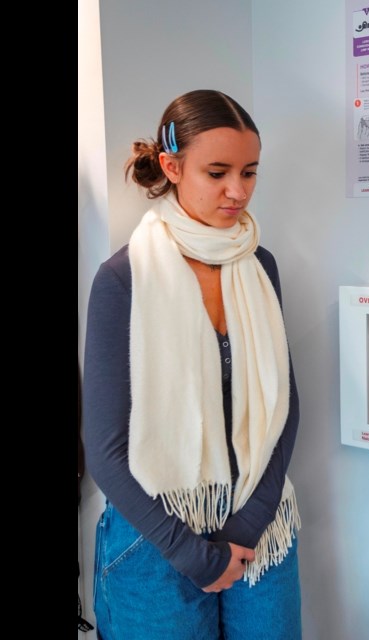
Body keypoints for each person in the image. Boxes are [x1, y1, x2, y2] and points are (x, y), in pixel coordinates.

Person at [83, 90, 302, 639]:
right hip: (154, 536)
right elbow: (106, 451)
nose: (238, 191)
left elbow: (285, 406)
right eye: (218, 172)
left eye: (250, 172)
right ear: (172, 166)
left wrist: (247, 526)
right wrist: (194, 554)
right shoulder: (123, 278)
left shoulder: (260, 265)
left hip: (258, 521)